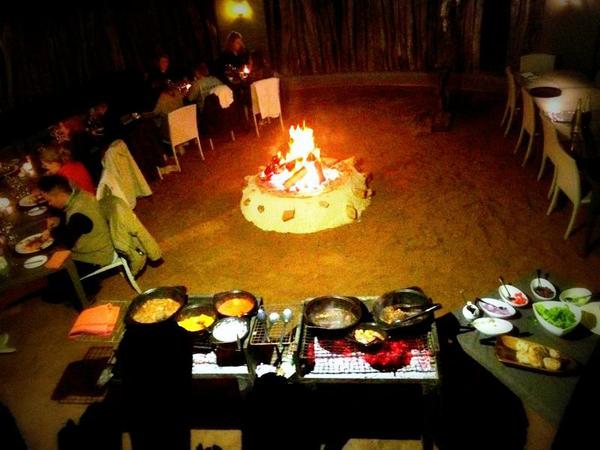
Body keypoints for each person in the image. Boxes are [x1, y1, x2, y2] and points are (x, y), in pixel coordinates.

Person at [38, 175, 113, 274]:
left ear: (61, 195)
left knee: (53, 273)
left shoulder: (78, 213)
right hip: (98, 246)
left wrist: (51, 232)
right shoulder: (80, 195)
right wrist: (60, 220)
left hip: (96, 257)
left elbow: (67, 242)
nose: (49, 204)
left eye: (49, 200)